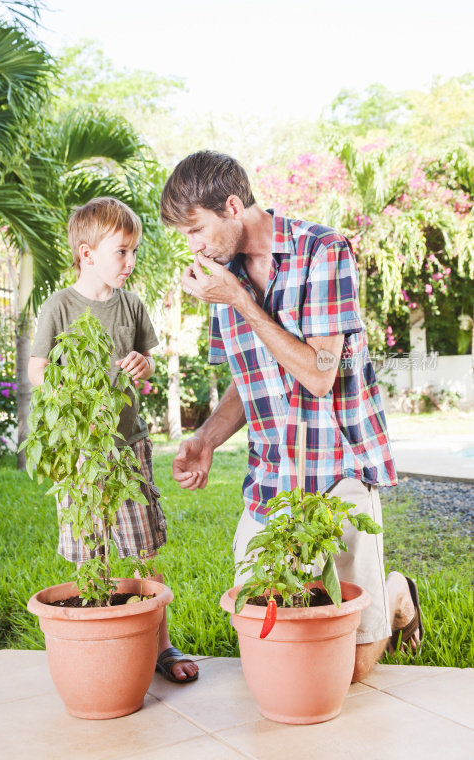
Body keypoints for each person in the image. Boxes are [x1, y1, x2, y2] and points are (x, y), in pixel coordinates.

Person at [160, 151, 423, 683]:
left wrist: (240, 300)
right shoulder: (223, 276)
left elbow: (320, 373)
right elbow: (249, 374)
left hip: (338, 465)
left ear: (233, 206)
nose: (193, 247)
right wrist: (208, 437)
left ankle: (396, 593)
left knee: (351, 669)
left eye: (197, 230)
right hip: (273, 474)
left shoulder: (323, 252)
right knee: (264, 632)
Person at [28, 196, 198, 684]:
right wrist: (76, 390)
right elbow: (38, 371)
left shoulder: (132, 305)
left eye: (134, 252)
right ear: (87, 254)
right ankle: (100, 639)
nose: (131, 261)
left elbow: (145, 361)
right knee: (90, 546)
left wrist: (142, 368)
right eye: (122, 252)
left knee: (143, 545)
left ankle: (162, 645)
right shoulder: (60, 306)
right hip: (82, 448)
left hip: (129, 446)